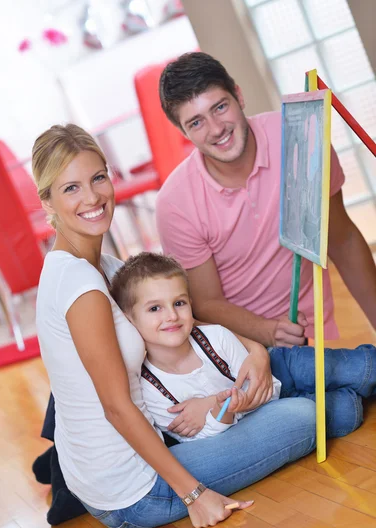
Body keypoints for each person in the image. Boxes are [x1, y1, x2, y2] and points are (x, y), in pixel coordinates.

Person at [32, 123, 317, 528]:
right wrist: (194, 496)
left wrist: (255, 350)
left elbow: (188, 323)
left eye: (98, 178)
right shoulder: (80, 285)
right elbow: (115, 407)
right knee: (308, 416)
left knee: (305, 391)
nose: (93, 197)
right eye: (71, 188)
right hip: (134, 488)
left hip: (142, 451)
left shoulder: (106, 268)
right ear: (48, 201)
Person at [156, 52, 376, 349]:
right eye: (196, 122)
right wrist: (267, 331)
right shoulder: (175, 203)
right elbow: (206, 302)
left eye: (220, 107)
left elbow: (343, 241)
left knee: (354, 376)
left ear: (238, 95)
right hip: (242, 348)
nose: (216, 129)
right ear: (183, 131)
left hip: (304, 334)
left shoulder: (299, 138)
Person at [111, 252, 375, 441]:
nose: (171, 316)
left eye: (179, 303)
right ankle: (355, 394)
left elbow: (268, 388)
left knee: (360, 367)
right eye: (155, 308)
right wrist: (221, 412)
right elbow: (196, 439)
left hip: (279, 372)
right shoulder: (149, 388)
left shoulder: (215, 336)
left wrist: (212, 404)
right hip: (263, 419)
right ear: (129, 319)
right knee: (346, 411)